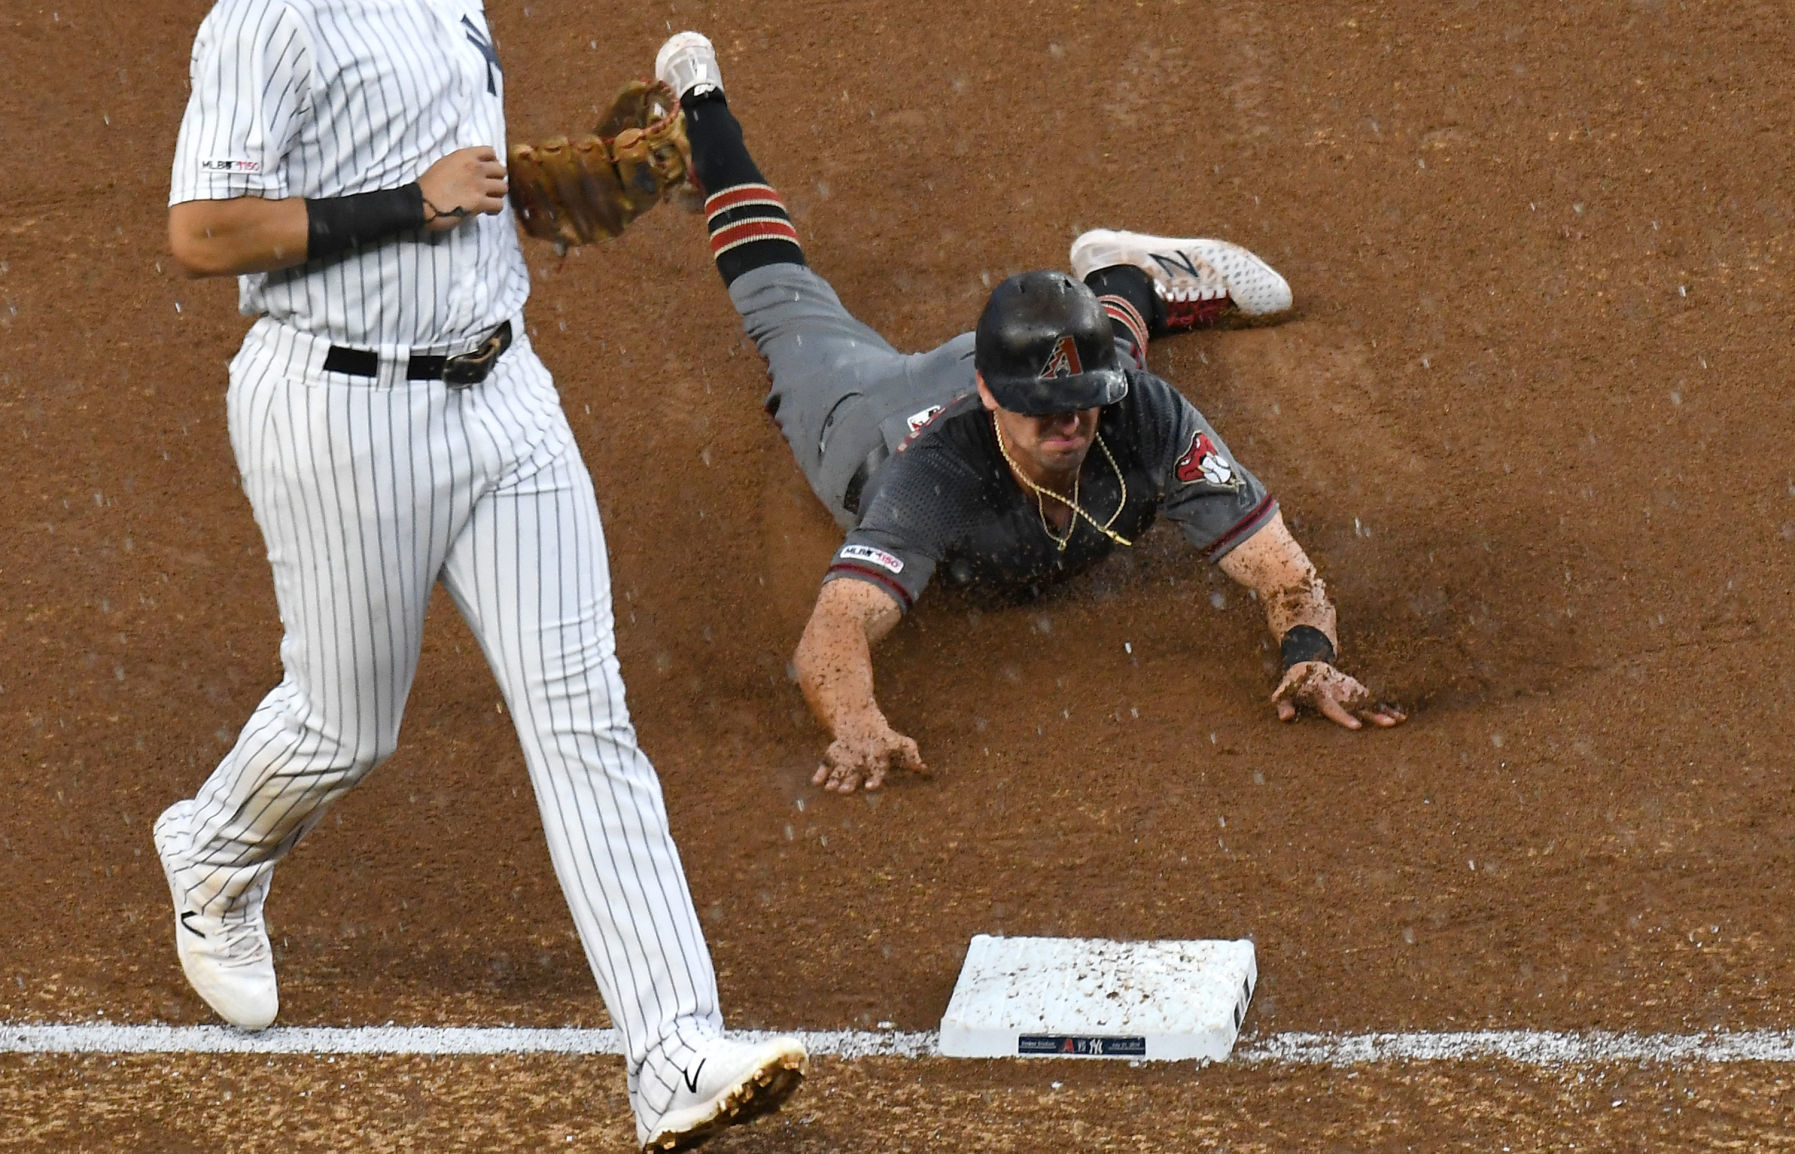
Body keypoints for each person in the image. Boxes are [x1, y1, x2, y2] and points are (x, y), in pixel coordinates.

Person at [154, 4, 803, 1149]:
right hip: (340, 411)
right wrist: (413, 204)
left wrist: (523, 200)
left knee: (583, 713)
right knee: (344, 727)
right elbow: (204, 233)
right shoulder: (267, 23)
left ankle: (672, 1052)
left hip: (507, 398)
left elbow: (449, 166)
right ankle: (213, 851)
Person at [653, 32, 1406, 796]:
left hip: (1020, 359)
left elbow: (1282, 568)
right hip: (864, 419)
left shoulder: (1124, 407)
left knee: (1115, 351)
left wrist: (1308, 655)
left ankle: (1120, 274)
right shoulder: (930, 478)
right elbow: (835, 630)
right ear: (992, 396)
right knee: (778, 304)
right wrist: (856, 724)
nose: (1067, 426)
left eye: (1079, 407)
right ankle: (702, 105)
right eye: (1044, 412)